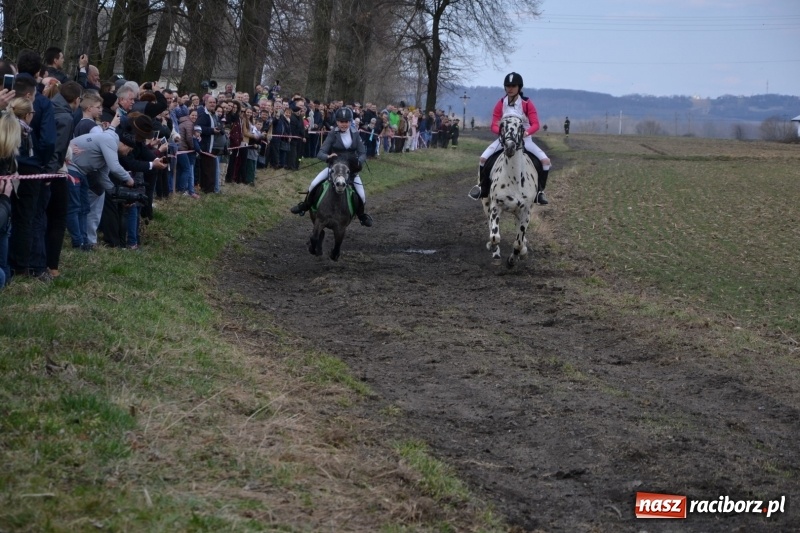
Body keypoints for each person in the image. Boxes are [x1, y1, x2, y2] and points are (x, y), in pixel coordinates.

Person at [469, 72, 552, 205]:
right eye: (508, 86)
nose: (510, 88)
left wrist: (525, 133)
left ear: (519, 87)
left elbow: (536, 124)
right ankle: (482, 188)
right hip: (505, 139)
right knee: (483, 159)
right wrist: (501, 133)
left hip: (524, 139)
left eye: (513, 86)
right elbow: (494, 124)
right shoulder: (501, 103)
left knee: (546, 161)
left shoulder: (526, 103)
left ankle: (539, 192)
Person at [289, 107, 372, 227]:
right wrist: (328, 157)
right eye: (341, 121)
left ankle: (361, 216)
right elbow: (320, 153)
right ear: (337, 122)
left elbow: (363, 153)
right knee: (313, 185)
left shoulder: (355, 133)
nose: (344, 124)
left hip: (351, 171)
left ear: (350, 122)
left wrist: (359, 161)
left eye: (346, 121)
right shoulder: (333, 133)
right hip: (334, 169)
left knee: (362, 196)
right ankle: (305, 206)